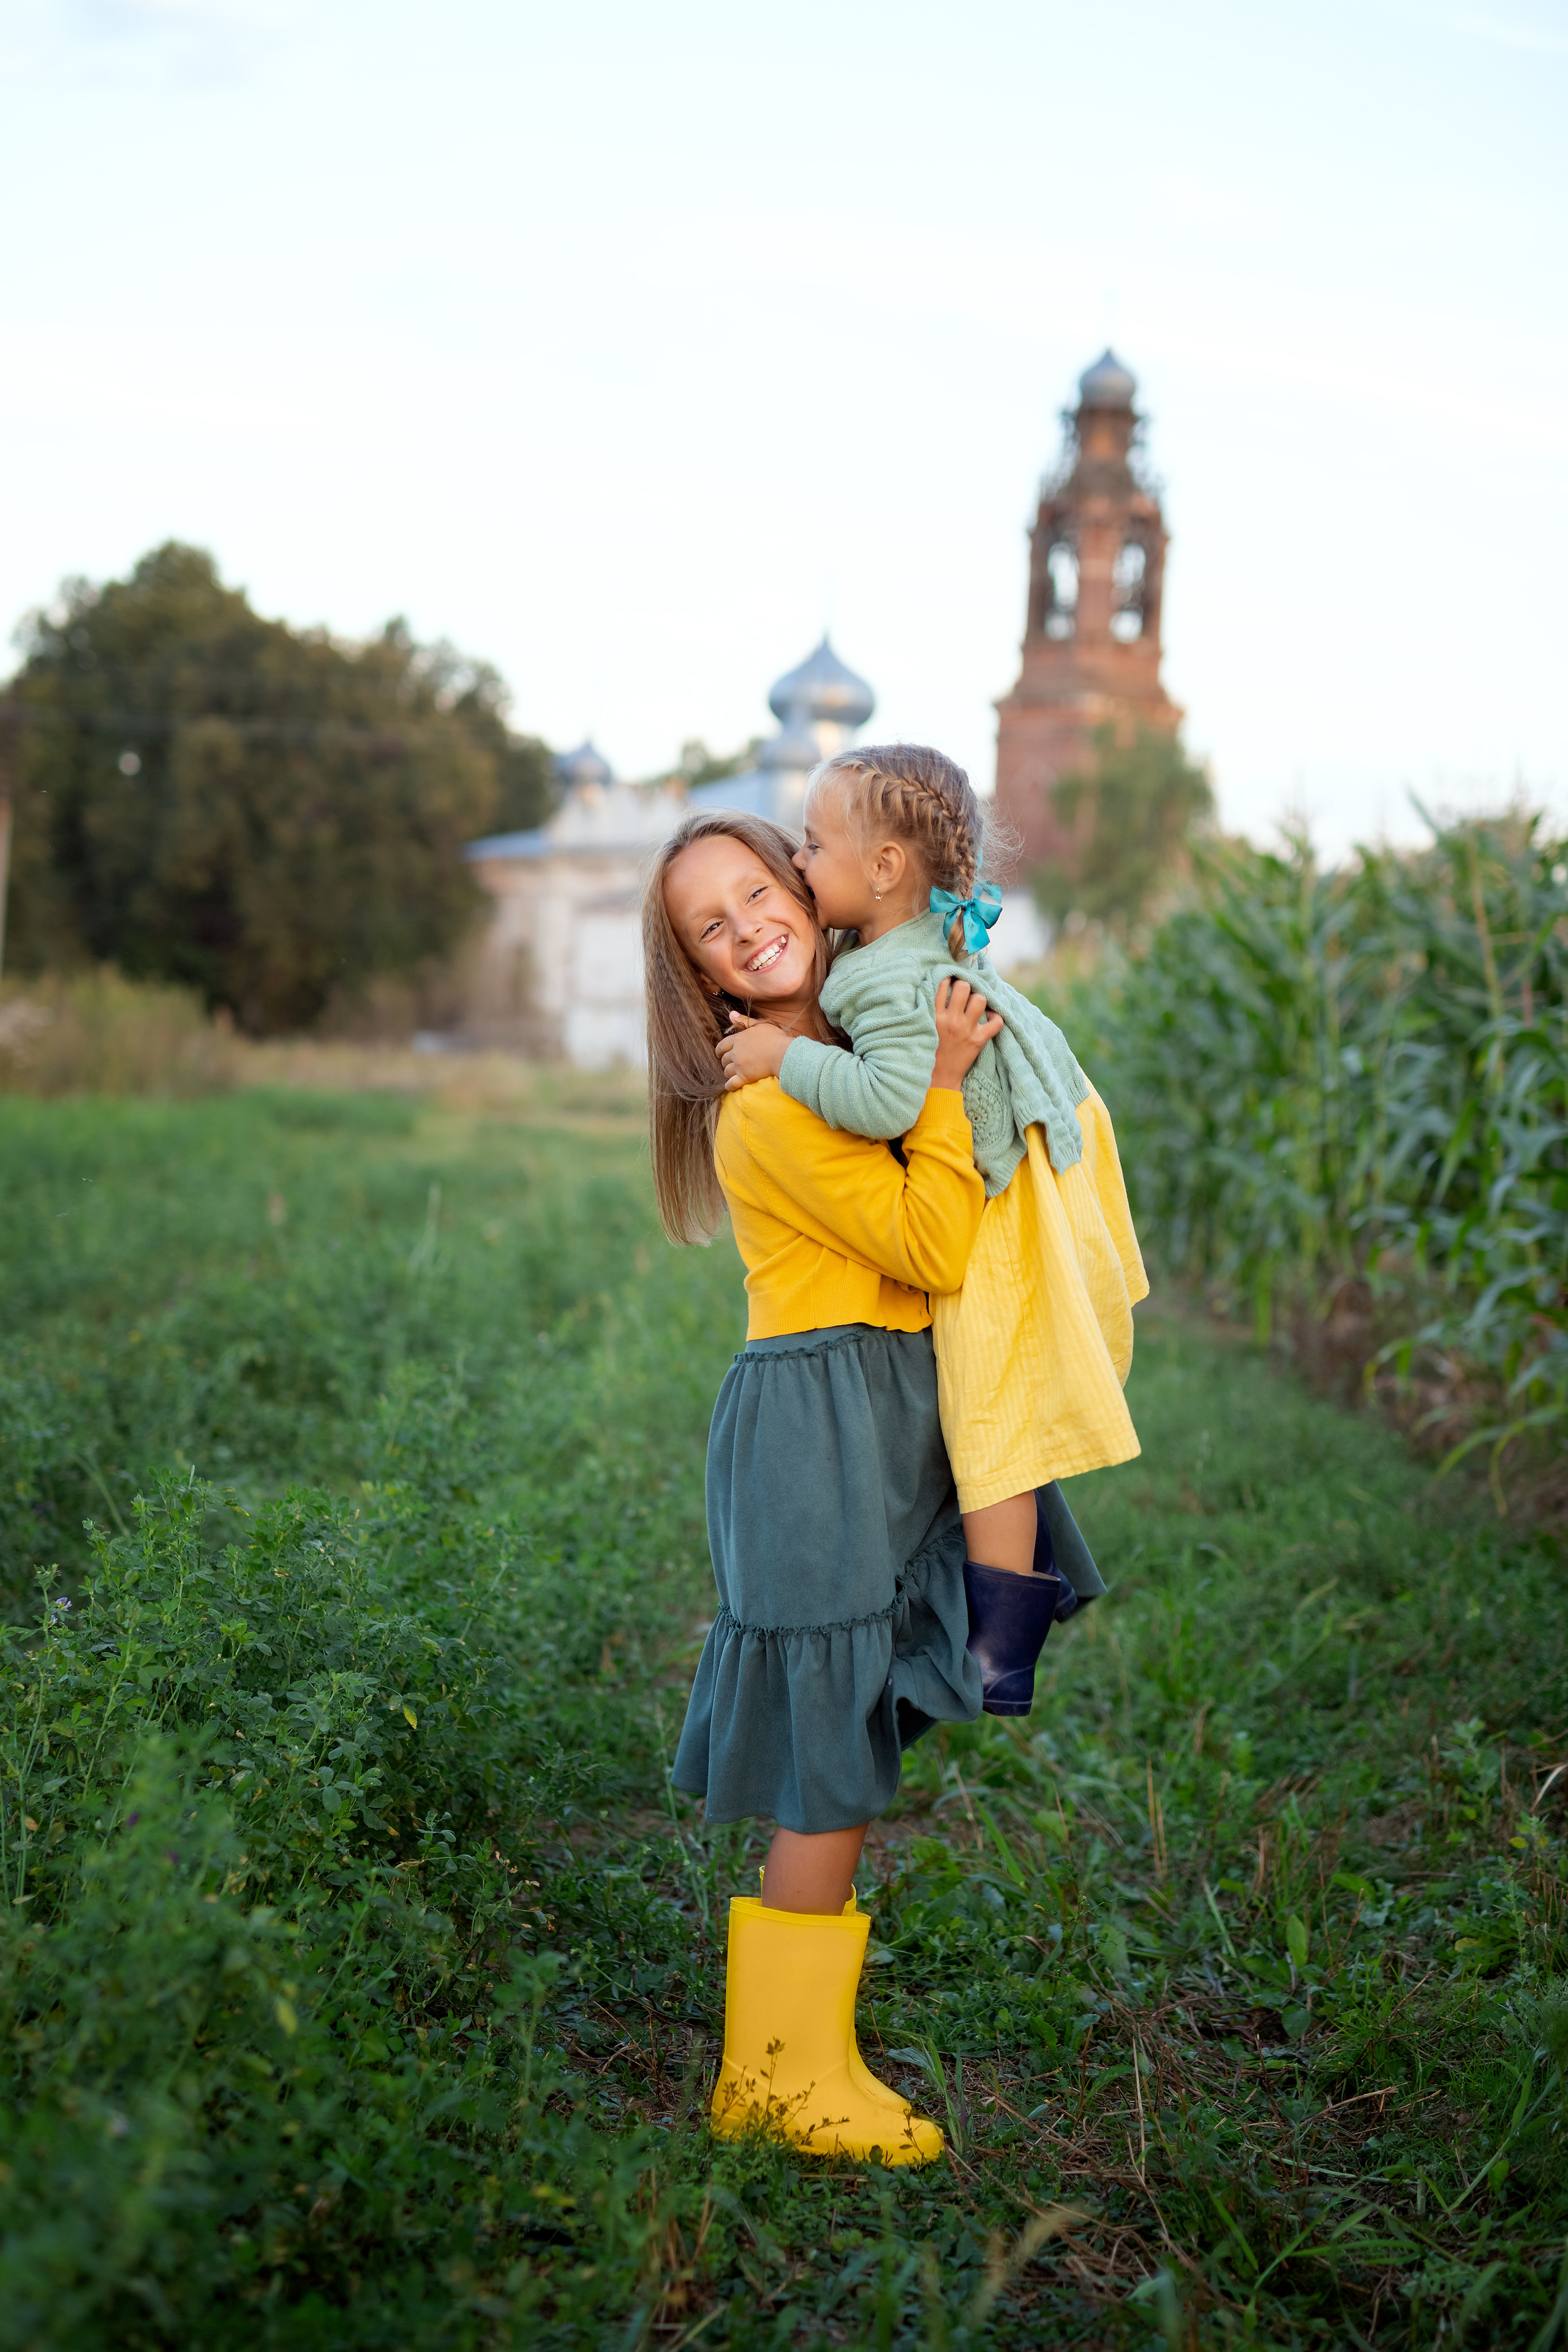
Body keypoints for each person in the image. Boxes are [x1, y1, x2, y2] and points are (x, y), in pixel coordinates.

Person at [644, 809, 1023, 2166]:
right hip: (816, 1427)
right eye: (711, 924)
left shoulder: (835, 1053)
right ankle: (779, 2077)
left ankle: (799, 2054)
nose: (749, 923)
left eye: (759, 888)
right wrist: (940, 1091)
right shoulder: (767, 1105)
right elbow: (930, 1239)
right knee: (826, 1758)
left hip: (868, 1409)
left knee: (850, 1734)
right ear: (696, 976)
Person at [717, 743, 1147, 1717]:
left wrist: (785, 1057)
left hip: (988, 1204)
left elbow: (885, 1101)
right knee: (1000, 1418)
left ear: (883, 871)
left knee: (993, 1422)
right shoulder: (918, 950)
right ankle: (1005, 1634)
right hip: (1017, 1170)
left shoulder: (877, 980)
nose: (801, 864)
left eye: (816, 847)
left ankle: (1003, 1657)